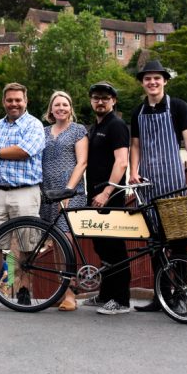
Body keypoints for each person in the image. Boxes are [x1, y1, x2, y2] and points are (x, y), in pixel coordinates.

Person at [129, 60, 187, 312]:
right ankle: (160, 296)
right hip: (147, 182)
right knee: (155, 242)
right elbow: (135, 146)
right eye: (147, 79)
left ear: (164, 80)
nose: (152, 82)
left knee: (177, 241)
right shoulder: (138, 112)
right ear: (142, 83)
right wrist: (133, 172)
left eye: (156, 78)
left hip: (173, 181)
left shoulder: (178, 107)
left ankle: (181, 296)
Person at [0, 82, 45, 307]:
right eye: (10, 100)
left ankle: (23, 290)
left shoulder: (34, 125)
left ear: (26, 101)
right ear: (3, 102)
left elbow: (25, 151)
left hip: (25, 192)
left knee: (27, 243)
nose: (14, 104)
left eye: (18, 100)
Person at [80, 81, 132, 315]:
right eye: (96, 97)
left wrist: (106, 192)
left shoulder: (117, 125)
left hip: (110, 197)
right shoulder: (94, 127)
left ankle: (121, 300)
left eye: (105, 98)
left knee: (115, 248)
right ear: (91, 100)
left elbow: (122, 162)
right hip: (95, 195)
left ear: (114, 101)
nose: (100, 101)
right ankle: (105, 295)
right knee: (102, 247)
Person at [39, 90, 87, 311]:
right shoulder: (44, 131)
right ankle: (62, 289)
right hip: (48, 194)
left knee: (66, 241)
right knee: (57, 245)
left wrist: (68, 191)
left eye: (65, 104)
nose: (61, 108)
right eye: (57, 105)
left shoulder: (78, 130)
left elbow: (82, 163)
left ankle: (70, 294)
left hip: (70, 193)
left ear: (70, 108)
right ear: (51, 109)